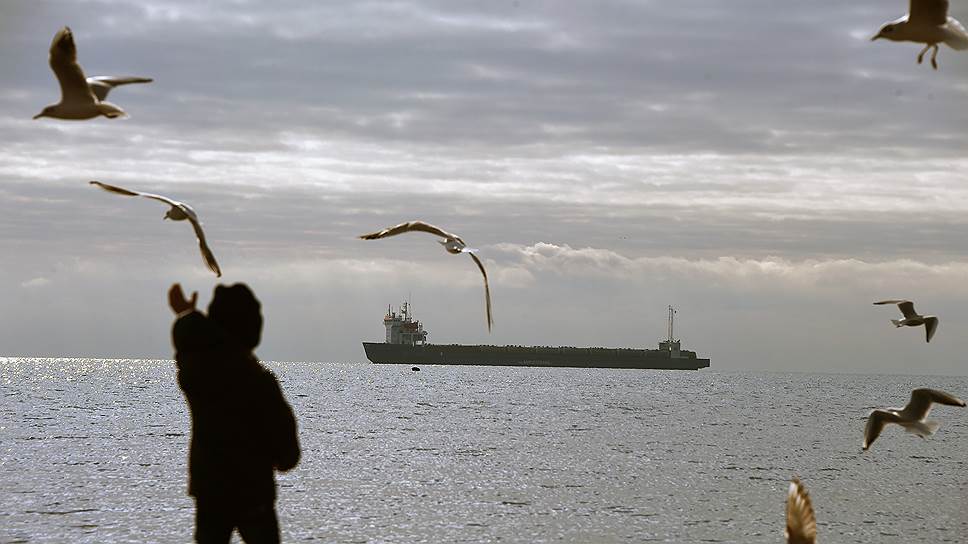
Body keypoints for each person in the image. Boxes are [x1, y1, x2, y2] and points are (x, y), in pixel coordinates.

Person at [168, 282, 301, 544]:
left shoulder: (197, 373)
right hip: (254, 494)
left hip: (210, 493)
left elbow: (192, 342)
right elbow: (288, 454)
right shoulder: (260, 383)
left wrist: (187, 315)